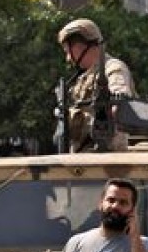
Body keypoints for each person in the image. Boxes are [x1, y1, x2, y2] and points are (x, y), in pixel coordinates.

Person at [57, 18, 137, 153]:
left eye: (68, 50)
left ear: (80, 46)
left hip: (108, 161)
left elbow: (121, 100)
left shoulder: (113, 68)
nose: (68, 58)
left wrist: (112, 108)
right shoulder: (83, 78)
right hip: (83, 162)